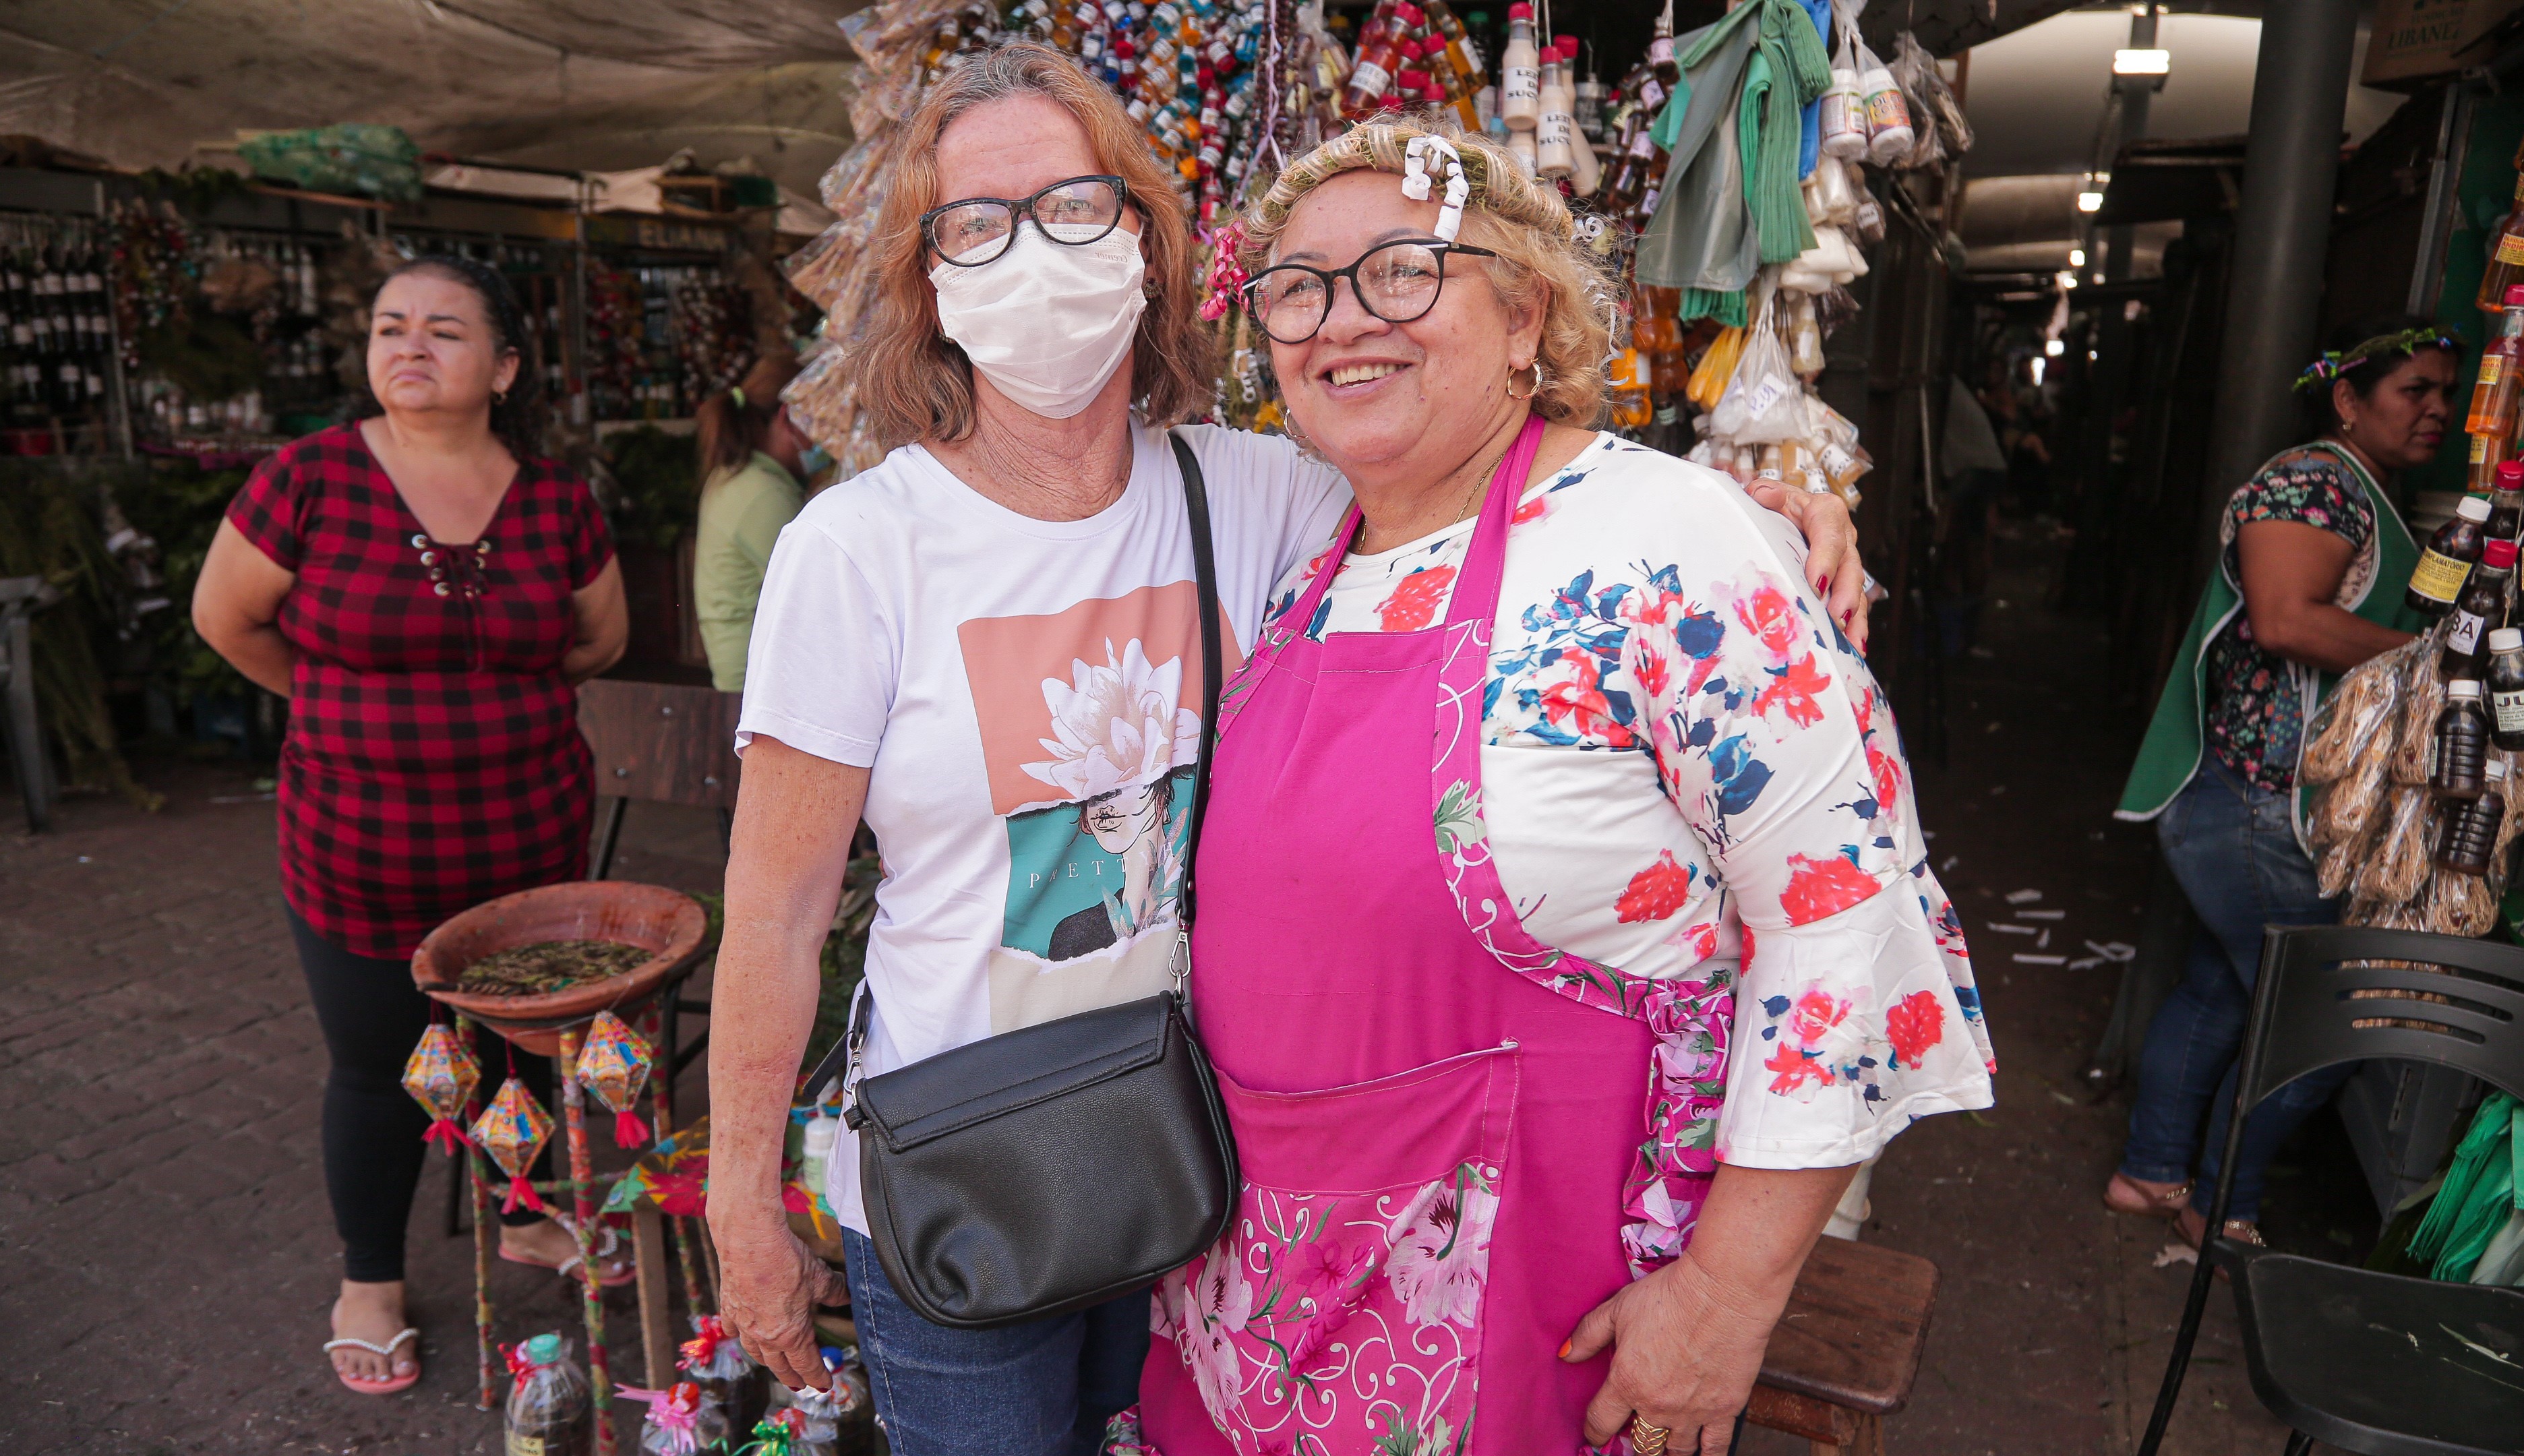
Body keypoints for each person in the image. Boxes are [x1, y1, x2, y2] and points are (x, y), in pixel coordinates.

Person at [703, 46, 1867, 1456]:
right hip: (963, 1172)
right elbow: (777, 914)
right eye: (975, 223)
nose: (1027, 253)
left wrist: (1745, 513)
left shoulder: (1266, 489)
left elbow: (1490, 483)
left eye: (1073, 205)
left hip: (1193, 1162)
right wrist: (740, 1199)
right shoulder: (857, 551)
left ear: (1144, 237)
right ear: (928, 274)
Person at [1107, 121, 1992, 1456]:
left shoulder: (1669, 542)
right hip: (1255, 1296)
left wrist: (1727, 1299)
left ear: (1527, 315)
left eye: (1404, 269)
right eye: (1298, 287)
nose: (1345, 319)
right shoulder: (1303, 562)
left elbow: (1847, 922)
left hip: (1543, 1309)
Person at [191, 254, 632, 1396]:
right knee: (379, 1066)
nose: (410, 346)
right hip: (359, 849)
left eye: (443, 329)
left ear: (505, 366)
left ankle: (522, 1211)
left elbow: (597, 640)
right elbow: (227, 618)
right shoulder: (311, 479)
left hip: (526, 849)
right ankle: (371, 1278)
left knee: (516, 1051)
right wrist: (345, 705)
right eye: (391, 327)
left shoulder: (555, 501)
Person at [2111, 316, 2457, 1246]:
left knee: (2225, 994)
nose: (2435, 410)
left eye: (2445, 393)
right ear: (2349, 399)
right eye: (2411, 390)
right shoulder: (2313, 481)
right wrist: (2440, 664)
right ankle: (2223, 1206)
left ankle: (2149, 1174)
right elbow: (2285, 622)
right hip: (2255, 802)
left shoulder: (2370, 492)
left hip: (2253, 801)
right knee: (2325, 1020)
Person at [693, 356, 818, 691]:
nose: (825, 439)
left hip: (741, 672)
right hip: (754, 683)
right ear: (787, 418)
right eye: (819, 422)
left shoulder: (737, 477)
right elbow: (814, 592)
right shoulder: (763, 494)